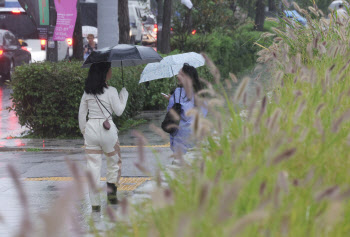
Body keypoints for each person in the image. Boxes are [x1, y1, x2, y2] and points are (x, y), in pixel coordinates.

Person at [79, 62, 129, 211]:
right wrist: (124, 96)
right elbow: (119, 111)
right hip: (108, 130)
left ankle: (95, 204)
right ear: (104, 73)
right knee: (113, 163)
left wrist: (84, 131)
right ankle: (112, 197)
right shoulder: (112, 91)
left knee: (93, 167)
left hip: (91, 129)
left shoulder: (87, 92)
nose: (111, 71)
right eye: (109, 69)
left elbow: (82, 114)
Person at [163, 63, 207, 154]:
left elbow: (170, 112)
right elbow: (203, 113)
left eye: (180, 74)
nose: (177, 76)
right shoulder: (199, 92)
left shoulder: (177, 93)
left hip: (180, 139)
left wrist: (171, 100)